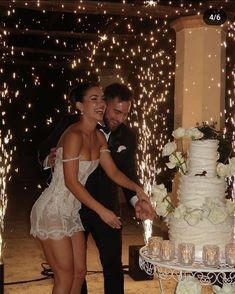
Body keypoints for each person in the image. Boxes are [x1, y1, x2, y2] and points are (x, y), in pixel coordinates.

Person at [37, 82, 155, 294]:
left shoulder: (110, 137)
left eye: (125, 114)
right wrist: (50, 159)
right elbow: (69, 180)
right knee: (66, 276)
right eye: (96, 100)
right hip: (62, 207)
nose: (120, 118)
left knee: (87, 271)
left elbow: (116, 172)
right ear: (80, 106)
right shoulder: (71, 130)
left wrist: (139, 192)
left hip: (87, 208)